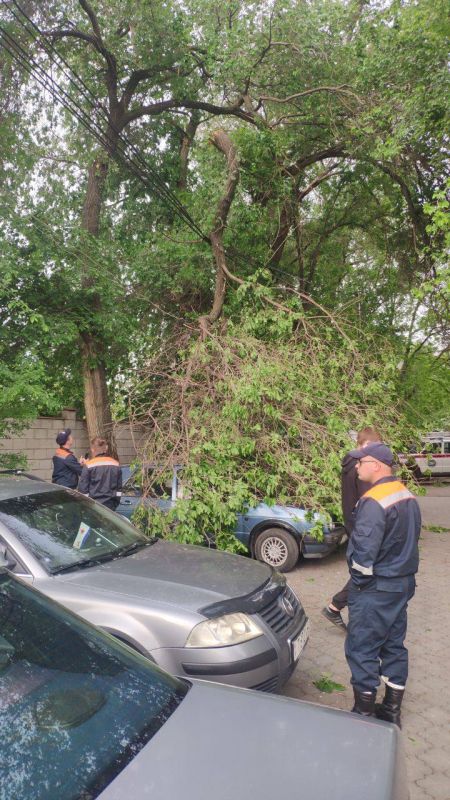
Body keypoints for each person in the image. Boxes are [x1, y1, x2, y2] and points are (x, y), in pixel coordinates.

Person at [344, 442, 420, 726]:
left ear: (376, 464)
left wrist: (358, 583)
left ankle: (364, 716)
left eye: (360, 461)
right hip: (402, 584)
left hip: (375, 588)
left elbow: (364, 554)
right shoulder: (406, 495)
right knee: (394, 646)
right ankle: (391, 712)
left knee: (362, 646)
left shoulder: (374, 501)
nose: (356, 466)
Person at [322, 426, 382, 629]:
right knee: (366, 573)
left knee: (364, 571)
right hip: (362, 527)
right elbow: (370, 501)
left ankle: (337, 607)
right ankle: (337, 608)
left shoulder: (350, 464)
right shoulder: (360, 467)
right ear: (361, 445)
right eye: (370, 446)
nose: (372, 452)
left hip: (353, 524)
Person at [78, 437, 122, 510]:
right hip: (110, 507)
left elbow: (83, 491)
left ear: (92, 449)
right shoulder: (116, 464)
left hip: (93, 507)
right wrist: (115, 504)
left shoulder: (89, 465)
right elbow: (119, 490)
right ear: (106, 449)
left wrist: (86, 506)